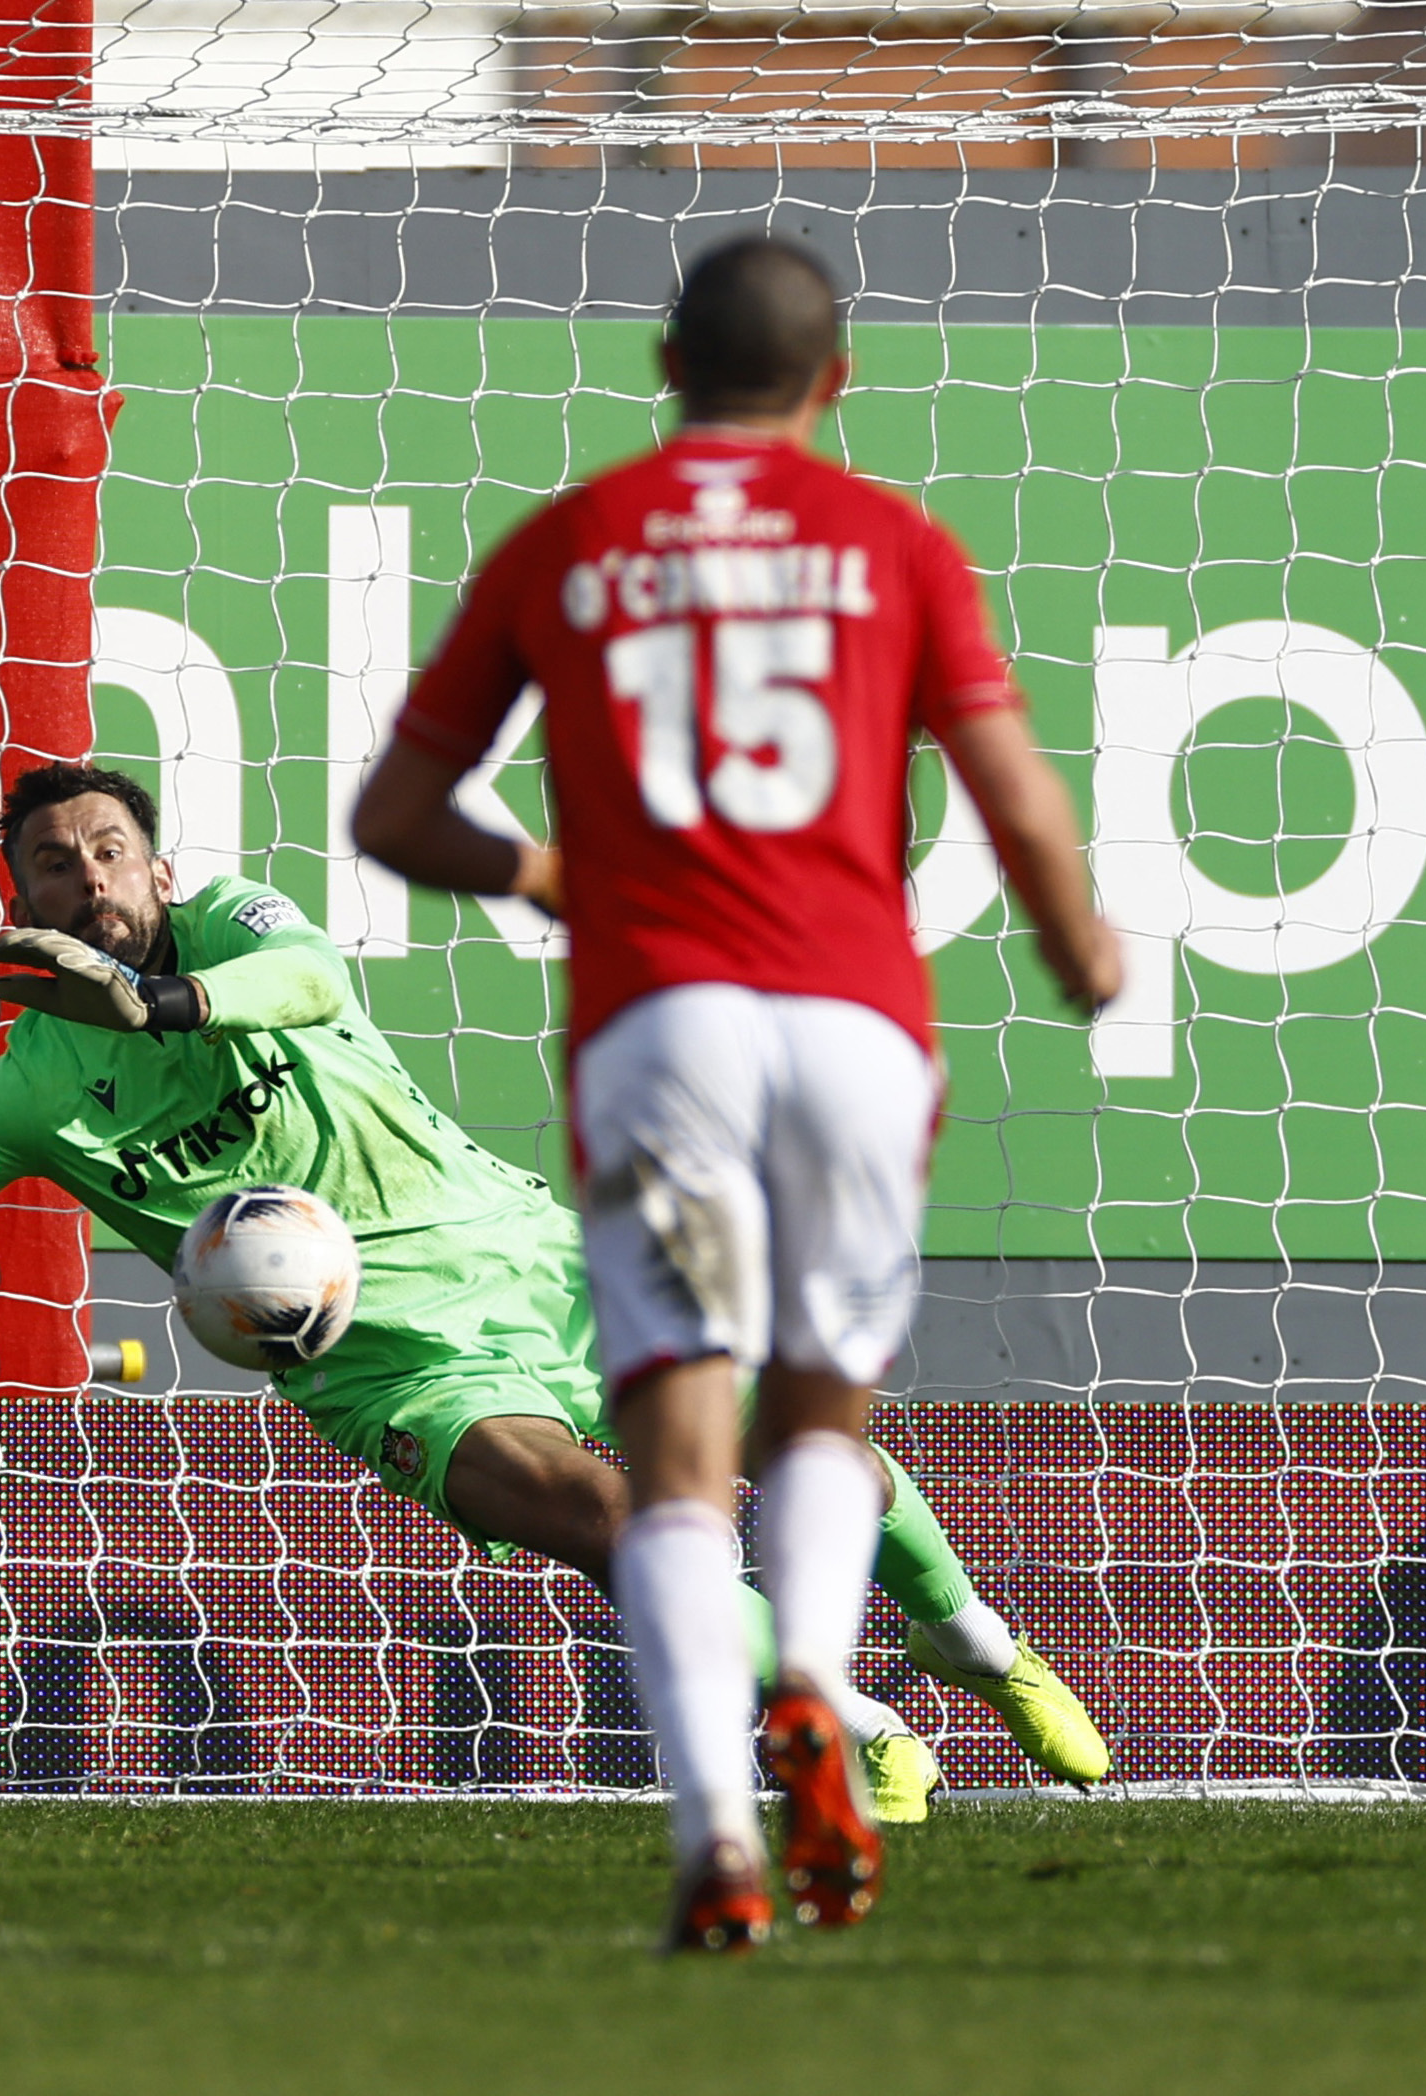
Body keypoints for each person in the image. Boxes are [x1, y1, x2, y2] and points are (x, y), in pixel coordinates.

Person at [0, 761, 1112, 1826]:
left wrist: (165, 1005)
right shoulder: (26, 1092)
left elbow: (299, 976)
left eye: (110, 850)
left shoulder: (232, 925)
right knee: (611, 1520)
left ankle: (978, 1645)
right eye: (52, 864)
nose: (88, 876)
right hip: (386, 1366)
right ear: (18, 899)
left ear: (157, 874)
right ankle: (847, 1727)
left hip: (533, 1260)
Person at [353, 235, 1121, 1951]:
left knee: (679, 1460)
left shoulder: (570, 547)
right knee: (824, 1414)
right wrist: (1081, 941)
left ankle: (722, 1822)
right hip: (852, 1020)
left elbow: (395, 819)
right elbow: (1011, 790)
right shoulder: (893, 544)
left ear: (663, 366)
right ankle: (817, 1675)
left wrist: (549, 870)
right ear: (832, 380)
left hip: (660, 1025)